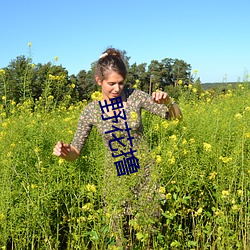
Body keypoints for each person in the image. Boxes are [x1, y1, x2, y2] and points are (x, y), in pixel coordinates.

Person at [53, 48, 182, 247]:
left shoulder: (135, 97)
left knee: (150, 234)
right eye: (111, 83)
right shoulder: (91, 111)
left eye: (121, 83)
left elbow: (175, 118)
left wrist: (169, 102)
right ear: (99, 81)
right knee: (120, 237)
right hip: (115, 180)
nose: (117, 88)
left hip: (145, 175)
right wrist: (65, 152)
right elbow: (75, 151)